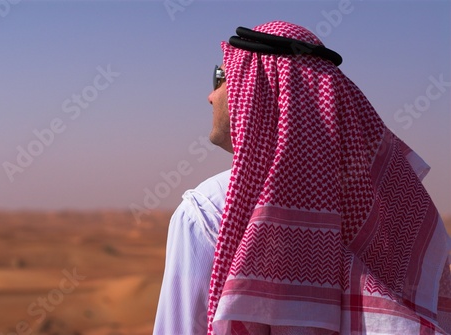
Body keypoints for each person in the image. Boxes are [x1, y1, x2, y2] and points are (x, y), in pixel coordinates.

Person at [153, 21, 451, 335]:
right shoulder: (396, 209)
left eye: (222, 77)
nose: (211, 96)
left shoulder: (207, 209)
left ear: (258, 88)